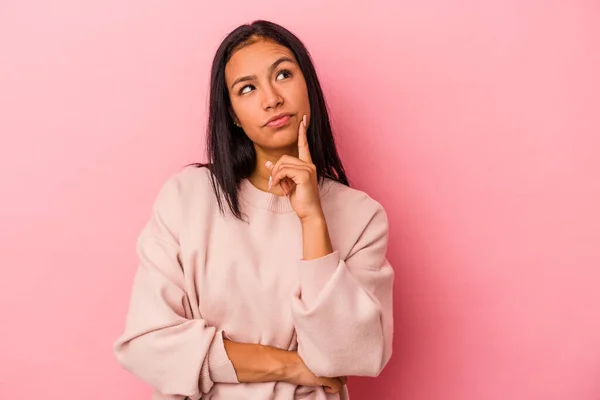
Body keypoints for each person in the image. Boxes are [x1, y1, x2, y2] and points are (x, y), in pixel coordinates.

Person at [113, 20, 394, 400]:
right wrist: (290, 365)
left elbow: (347, 355)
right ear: (231, 113)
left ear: (307, 84)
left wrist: (313, 219)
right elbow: (146, 344)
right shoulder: (188, 198)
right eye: (247, 88)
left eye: (283, 74)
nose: (272, 98)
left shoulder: (362, 216)